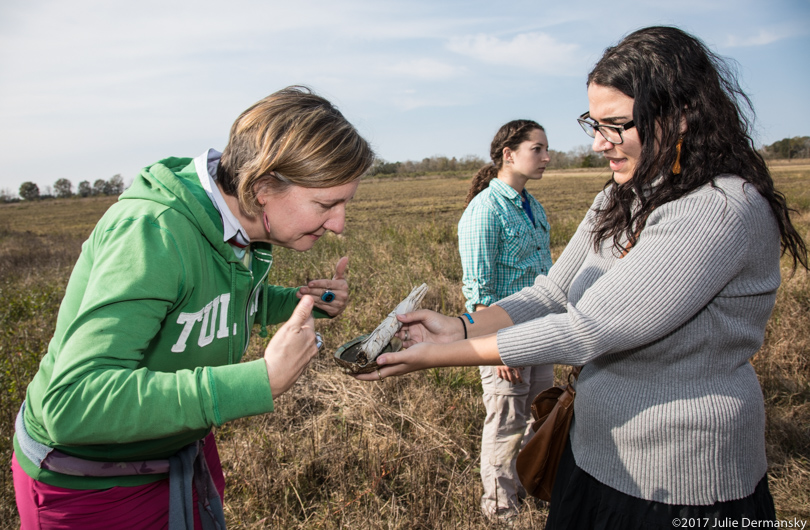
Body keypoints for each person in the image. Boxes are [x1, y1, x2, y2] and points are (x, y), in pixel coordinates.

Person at [358, 27, 809, 528]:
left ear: (681, 115)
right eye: (594, 123)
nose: (597, 143)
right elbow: (554, 292)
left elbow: (587, 329)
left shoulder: (719, 208)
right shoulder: (620, 198)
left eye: (616, 125)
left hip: (680, 478)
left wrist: (434, 355)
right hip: (593, 453)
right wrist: (461, 327)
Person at [12, 86, 374, 529]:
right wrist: (260, 380)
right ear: (262, 187)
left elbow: (215, 303)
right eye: (327, 204)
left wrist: (305, 302)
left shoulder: (242, 227)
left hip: (178, 454)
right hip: (94, 486)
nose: (339, 225)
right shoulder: (152, 233)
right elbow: (71, 405)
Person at [458, 119, 554, 522]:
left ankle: (528, 485)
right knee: (505, 419)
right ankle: (500, 506)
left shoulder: (532, 206)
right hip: (505, 336)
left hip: (541, 331)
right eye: (538, 148)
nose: (547, 157)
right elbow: (478, 291)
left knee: (539, 414)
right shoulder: (485, 209)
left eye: (547, 149)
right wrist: (497, 349)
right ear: (508, 155)